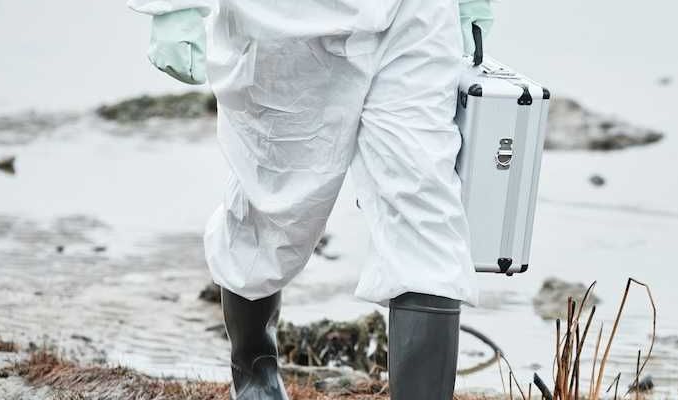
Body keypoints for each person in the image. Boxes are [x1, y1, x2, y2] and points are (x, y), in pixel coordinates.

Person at [127, 0, 494, 398]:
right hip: (282, 19)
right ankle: (254, 369)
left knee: (424, 199)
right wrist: (170, 8)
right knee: (271, 209)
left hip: (415, 14)